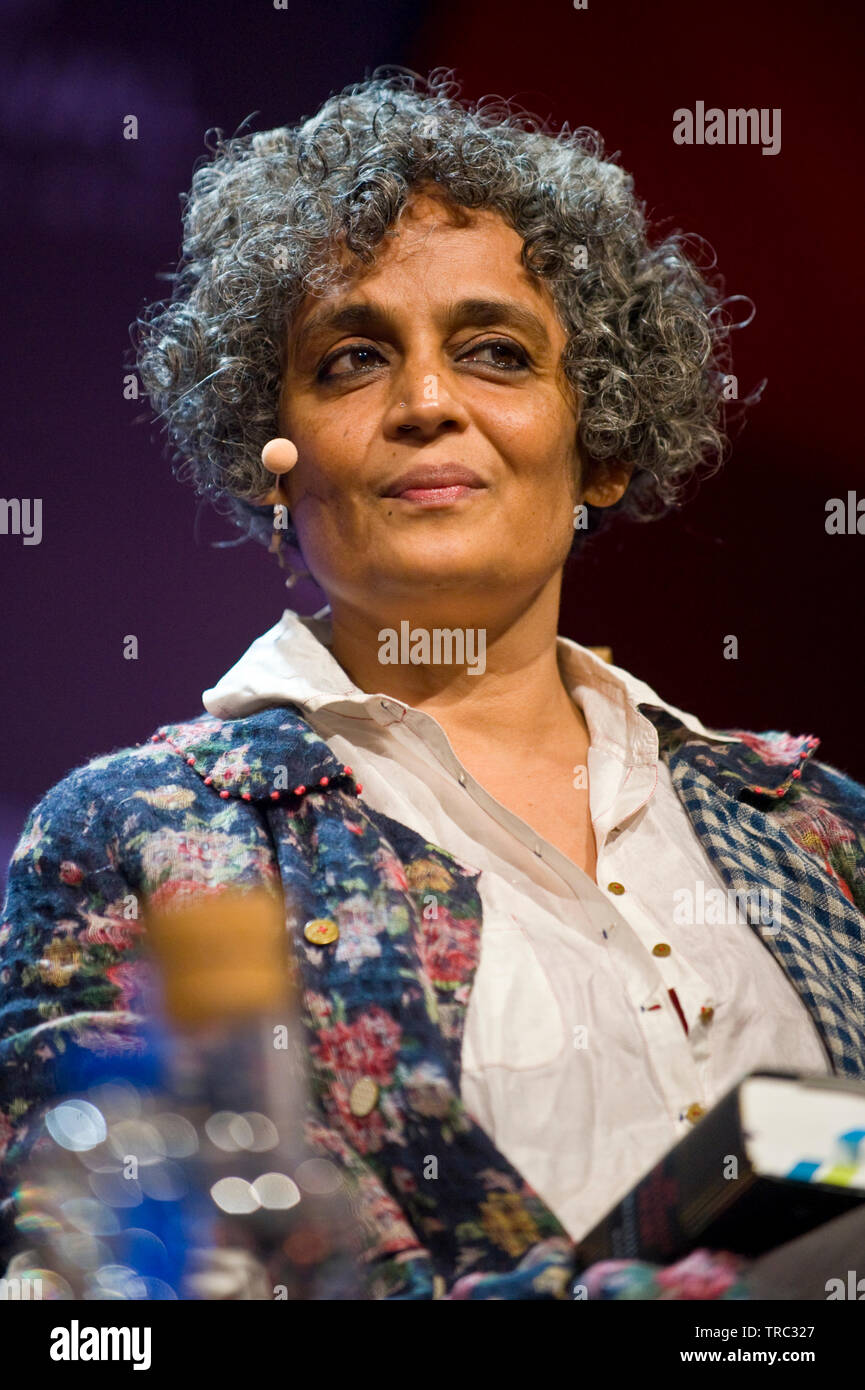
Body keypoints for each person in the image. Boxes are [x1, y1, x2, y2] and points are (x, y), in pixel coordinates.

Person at [2, 68, 864, 1301]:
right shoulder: (139, 836)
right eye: (352, 360)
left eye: (495, 353)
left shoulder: (821, 826)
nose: (423, 403)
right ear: (273, 458)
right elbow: (99, 1298)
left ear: (600, 448)